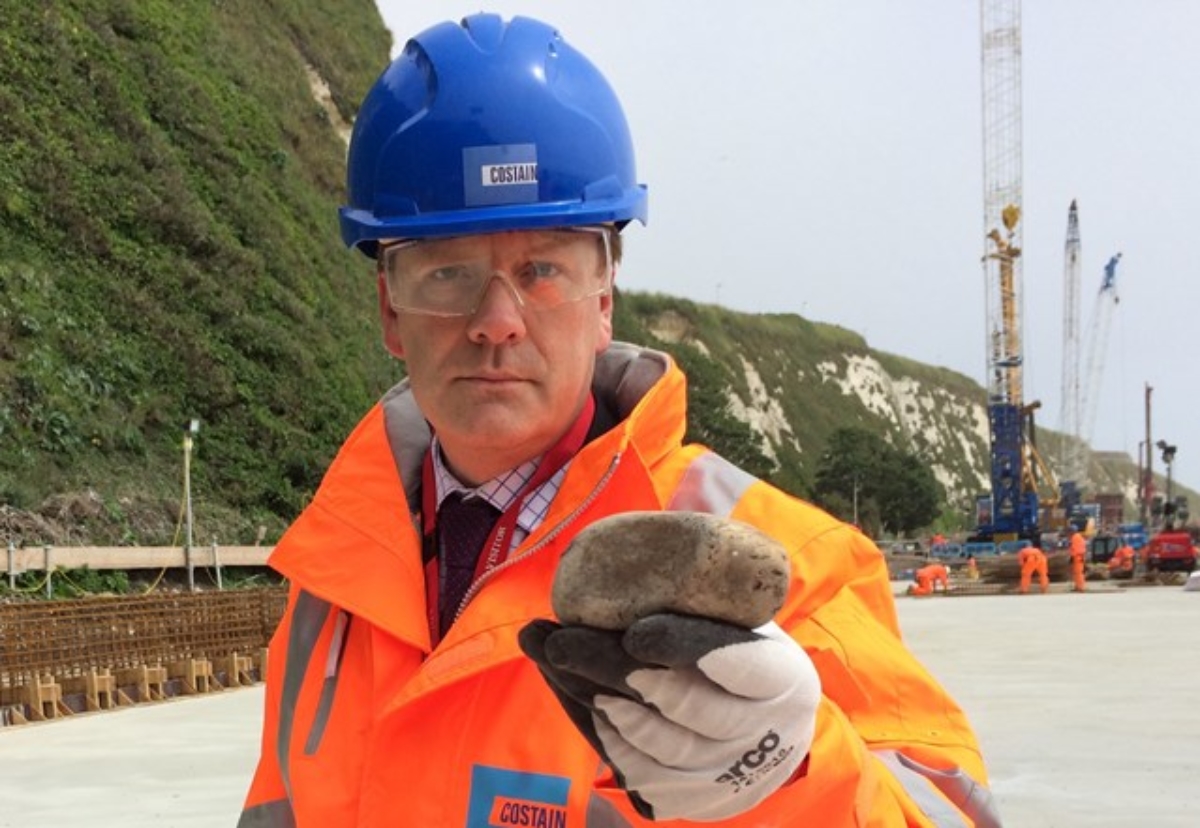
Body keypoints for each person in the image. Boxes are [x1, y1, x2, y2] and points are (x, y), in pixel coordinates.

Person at [239, 13, 998, 827]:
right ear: (391, 312)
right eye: (448, 271)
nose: (496, 320)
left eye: (542, 270)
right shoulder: (334, 585)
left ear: (604, 301)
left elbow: (943, 808)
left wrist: (796, 775)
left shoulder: (782, 569)